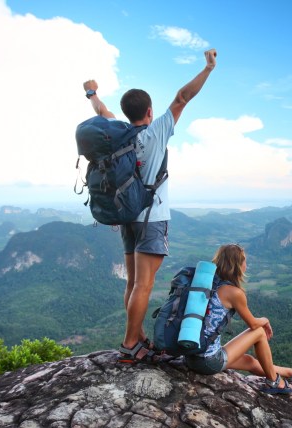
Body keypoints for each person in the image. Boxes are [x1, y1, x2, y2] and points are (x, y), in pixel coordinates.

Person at [83, 49, 218, 364]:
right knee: (144, 285)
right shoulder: (156, 132)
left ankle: (138, 335)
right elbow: (183, 97)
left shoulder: (119, 134)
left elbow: (102, 111)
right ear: (149, 110)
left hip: (127, 216)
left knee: (133, 283)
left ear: (126, 112)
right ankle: (130, 344)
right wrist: (208, 68)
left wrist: (91, 93)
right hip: (151, 218)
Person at [185, 244, 292, 394]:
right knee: (259, 332)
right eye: (244, 261)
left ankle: (291, 373)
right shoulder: (233, 292)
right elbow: (254, 324)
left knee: (250, 361)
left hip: (191, 356)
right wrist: (265, 319)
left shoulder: (205, 284)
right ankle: (274, 382)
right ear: (237, 265)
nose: (246, 265)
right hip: (208, 361)